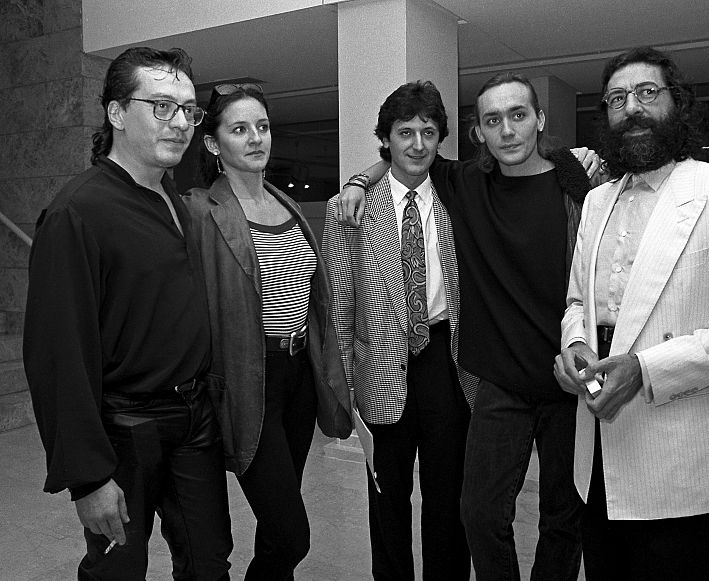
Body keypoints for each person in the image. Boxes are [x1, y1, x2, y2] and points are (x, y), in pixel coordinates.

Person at [338, 73, 599, 581]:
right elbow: (406, 157)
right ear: (478, 132)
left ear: (540, 119)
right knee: (478, 514)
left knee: (564, 518)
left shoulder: (578, 191)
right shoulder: (467, 183)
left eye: (518, 115)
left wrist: (579, 159)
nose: (507, 130)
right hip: (498, 382)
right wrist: (359, 180)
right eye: (493, 120)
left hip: (568, 377)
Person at [554, 46, 709, 581]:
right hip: (597, 451)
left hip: (678, 455)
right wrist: (575, 345)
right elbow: (577, 302)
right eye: (617, 99)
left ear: (676, 103)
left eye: (647, 92)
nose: (631, 107)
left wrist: (645, 369)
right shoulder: (597, 201)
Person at [23, 47, 233, 580]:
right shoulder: (78, 211)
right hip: (124, 426)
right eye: (162, 107)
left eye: (188, 110)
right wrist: (88, 478)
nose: (180, 122)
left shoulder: (172, 199)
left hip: (193, 419)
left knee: (209, 562)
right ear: (117, 113)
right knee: (118, 571)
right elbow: (57, 354)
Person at [181, 83, 352, 581]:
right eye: (239, 129)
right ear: (212, 143)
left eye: (262, 126)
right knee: (292, 533)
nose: (256, 138)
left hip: (298, 378)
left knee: (276, 526)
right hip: (247, 380)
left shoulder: (287, 205)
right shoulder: (199, 211)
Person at [322, 81, 478, 580]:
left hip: (446, 363)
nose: (417, 144)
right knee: (387, 498)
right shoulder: (349, 210)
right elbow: (340, 309)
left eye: (428, 132)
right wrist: (346, 391)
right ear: (386, 139)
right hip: (380, 368)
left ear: (440, 139)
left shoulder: (459, 198)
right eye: (405, 132)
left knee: (448, 497)